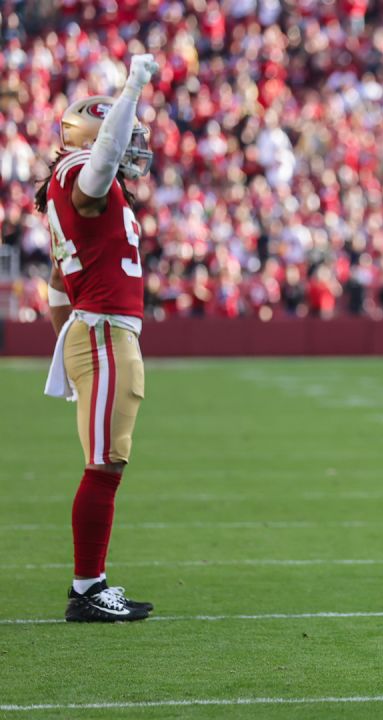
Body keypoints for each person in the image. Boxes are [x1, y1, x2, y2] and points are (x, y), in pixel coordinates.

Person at [35, 55, 160, 622]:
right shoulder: (79, 171)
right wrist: (132, 85)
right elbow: (101, 163)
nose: (132, 147)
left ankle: (91, 584)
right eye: (124, 134)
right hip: (107, 333)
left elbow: (60, 282)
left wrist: (66, 343)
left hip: (99, 331)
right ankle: (88, 589)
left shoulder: (77, 190)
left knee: (106, 462)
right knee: (105, 464)